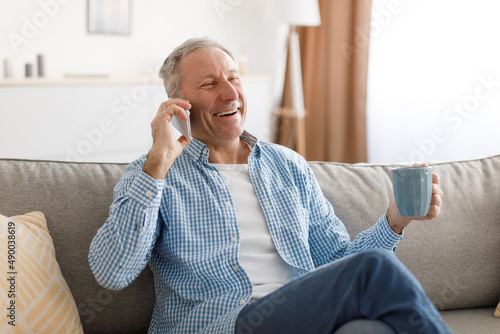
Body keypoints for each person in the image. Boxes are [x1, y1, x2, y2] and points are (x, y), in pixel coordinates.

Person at [89, 37, 451, 334]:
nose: (230, 93)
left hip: (302, 315)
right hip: (224, 324)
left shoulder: (287, 164)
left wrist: (394, 220)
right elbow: (113, 272)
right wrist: (157, 164)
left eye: (234, 79)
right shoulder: (153, 174)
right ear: (178, 106)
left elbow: (337, 263)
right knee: (374, 267)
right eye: (210, 84)